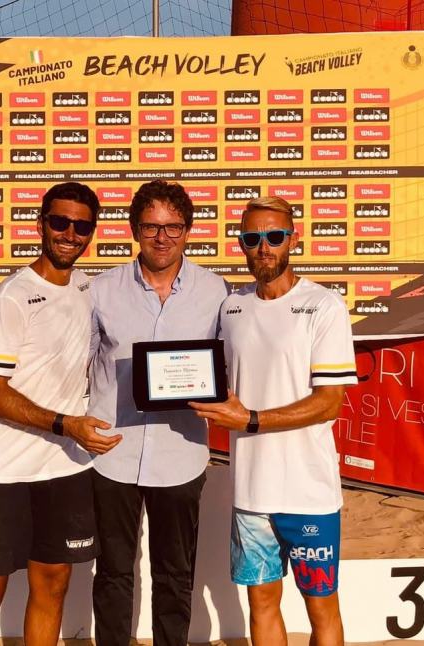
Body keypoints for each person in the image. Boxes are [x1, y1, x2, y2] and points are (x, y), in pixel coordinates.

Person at [0, 182, 120, 646]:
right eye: (60, 222)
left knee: (53, 587)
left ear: (92, 233)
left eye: (81, 225)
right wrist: (66, 424)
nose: (70, 233)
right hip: (5, 469)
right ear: (41, 224)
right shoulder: (13, 294)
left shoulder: (91, 289)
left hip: (65, 467)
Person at [190, 196, 358, 646]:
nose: (264, 247)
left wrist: (251, 419)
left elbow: (328, 404)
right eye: (252, 238)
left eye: (274, 236)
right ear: (241, 243)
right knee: (261, 604)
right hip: (251, 491)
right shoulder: (231, 308)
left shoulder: (324, 306)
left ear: (293, 239)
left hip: (309, 490)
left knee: (321, 607)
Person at [88, 180, 229, 646]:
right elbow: (81, 363)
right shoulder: (101, 289)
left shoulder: (215, 291)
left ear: (188, 231)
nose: (162, 237)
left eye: (173, 227)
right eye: (151, 226)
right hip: (114, 453)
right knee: (112, 572)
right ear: (134, 230)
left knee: (175, 573)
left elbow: (226, 365)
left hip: (181, 454)